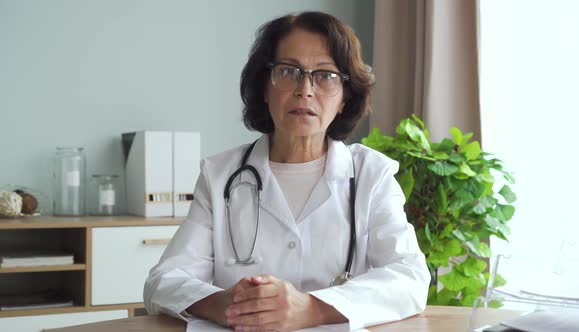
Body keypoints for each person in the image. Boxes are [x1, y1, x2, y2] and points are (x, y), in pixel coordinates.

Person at [144, 11, 430, 331]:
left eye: (325, 75)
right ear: (265, 88)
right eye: (289, 71)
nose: (304, 89)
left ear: (344, 99)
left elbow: (410, 278)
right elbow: (164, 280)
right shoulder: (220, 175)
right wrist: (222, 304)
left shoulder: (371, 175)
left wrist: (312, 309)